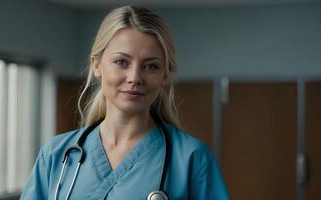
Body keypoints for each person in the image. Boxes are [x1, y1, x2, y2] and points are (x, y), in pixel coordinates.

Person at [21, 5, 229, 200]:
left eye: (151, 66)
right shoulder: (56, 155)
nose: (135, 77)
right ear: (96, 65)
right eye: (121, 62)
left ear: (165, 74)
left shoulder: (192, 159)